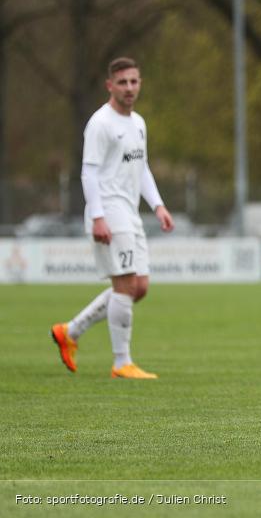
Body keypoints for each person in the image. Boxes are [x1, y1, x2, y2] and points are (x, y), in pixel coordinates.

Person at [50, 57, 174, 379]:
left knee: (140, 287)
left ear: (140, 83)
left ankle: (70, 331)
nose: (129, 88)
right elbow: (88, 173)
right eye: (122, 82)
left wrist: (158, 206)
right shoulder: (100, 124)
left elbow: (142, 167)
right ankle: (122, 363)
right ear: (110, 86)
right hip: (109, 211)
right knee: (124, 285)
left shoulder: (139, 123)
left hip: (130, 212)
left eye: (134, 81)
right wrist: (98, 216)